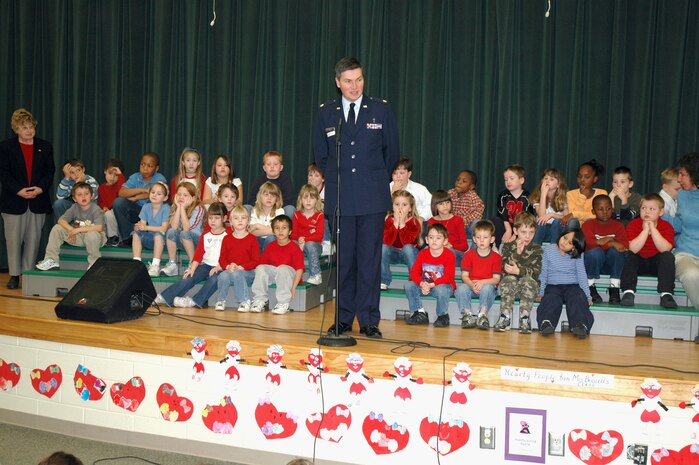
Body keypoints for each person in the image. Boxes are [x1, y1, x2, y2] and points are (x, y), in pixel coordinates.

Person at [313, 56, 400, 339]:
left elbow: (392, 153)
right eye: (348, 81)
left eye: (359, 79)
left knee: (369, 261)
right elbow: (320, 155)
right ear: (338, 83)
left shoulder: (380, 110)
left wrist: (373, 182)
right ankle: (343, 318)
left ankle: (369, 320)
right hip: (340, 199)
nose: (355, 86)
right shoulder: (327, 113)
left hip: (372, 199)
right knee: (345, 261)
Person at [0, 108, 55, 289]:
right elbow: (4, 173)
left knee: (33, 241)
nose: (29, 130)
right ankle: (15, 275)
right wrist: (18, 190)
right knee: (13, 240)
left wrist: (40, 188)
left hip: (37, 201)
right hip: (13, 201)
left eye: (31, 127)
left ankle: (28, 274)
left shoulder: (45, 146)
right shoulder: (6, 147)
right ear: (16, 129)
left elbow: (50, 171)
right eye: (24, 127)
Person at [154, 202, 227, 308]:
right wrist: (192, 268)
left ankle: (194, 301)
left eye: (217, 218)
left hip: (221, 267)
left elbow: (230, 255)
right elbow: (199, 253)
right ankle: (164, 297)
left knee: (214, 279)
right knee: (189, 276)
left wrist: (218, 267)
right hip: (205, 265)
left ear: (224, 218)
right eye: (210, 218)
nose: (213, 221)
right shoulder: (206, 234)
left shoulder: (228, 235)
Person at [620, 193, 677, 308]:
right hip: (638, 263)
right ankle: (628, 292)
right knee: (629, 255)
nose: (647, 212)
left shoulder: (667, 226)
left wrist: (653, 229)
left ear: (661, 212)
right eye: (643, 208)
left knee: (668, 256)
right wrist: (645, 230)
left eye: (652, 209)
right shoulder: (633, 225)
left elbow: (665, 249)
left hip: (656, 264)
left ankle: (666, 294)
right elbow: (633, 249)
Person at [537, 225, 594, 339]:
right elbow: (543, 273)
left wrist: (588, 296)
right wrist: (540, 292)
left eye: (570, 243)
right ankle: (546, 323)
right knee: (551, 299)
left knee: (577, 298)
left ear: (574, 248)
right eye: (565, 237)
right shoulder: (548, 250)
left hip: (572, 286)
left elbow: (581, 274)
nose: (564, 242)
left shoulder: (577, 255)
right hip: (553, 286)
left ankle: (580, 325)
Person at [36, 182, 106, 271]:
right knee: (57, 228)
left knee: (92, 235)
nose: (83, 197)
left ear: (91, 196)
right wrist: (71, 229)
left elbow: (99, 227)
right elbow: (61, 220)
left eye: (86, 194)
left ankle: (94, 263)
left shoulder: (96, 209)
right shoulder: (74, 207)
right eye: (79, 195)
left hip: (96, 238)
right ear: (74, 198)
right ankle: (52, 259)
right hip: (80, 237)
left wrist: (77, 230)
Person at [496, 212, 542, 333]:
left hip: (528, 287)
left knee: (528, 280)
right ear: (515, 231)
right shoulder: (507, 246)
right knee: (509, 279)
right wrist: (517, 252)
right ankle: (505, 315)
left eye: (531, 232)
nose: (527, 236)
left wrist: (519, 271)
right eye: (523, 232)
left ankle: (525, 317)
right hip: (510, 286)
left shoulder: (537, 249)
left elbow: (536, 271)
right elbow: (506, 267)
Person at [249, 215, 305, 315]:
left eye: (284, 228)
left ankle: (283, 303)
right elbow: (262, 266)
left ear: (290, 231)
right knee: (260, 268)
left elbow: (300, 269)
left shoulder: (294, 247)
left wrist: (292, 289)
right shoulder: (270, 246)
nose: (280, 231)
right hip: (276, 274)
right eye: (277, 228)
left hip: (290, 276)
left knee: (282, 268)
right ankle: (260, 300)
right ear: (273, 231)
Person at [404, 223, 456, 327]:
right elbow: (414, 273)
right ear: (427, 240)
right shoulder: (423, 253)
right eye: (431, 237)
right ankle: (420, 312)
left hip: (444, 286)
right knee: (409, 285)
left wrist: (431, 284)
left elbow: (449, 277)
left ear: (445, 241)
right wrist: (422, 283)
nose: (434, 240)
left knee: (441, 289)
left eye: (438, 238)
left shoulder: (449, 255)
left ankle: (443, 316)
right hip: (426, 285)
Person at [112, 152, 167, 247]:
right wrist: (143, 190)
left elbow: (156, 194)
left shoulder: (160, 178)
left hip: (150, 212)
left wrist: (136, 197)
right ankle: (127, 238)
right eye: (142, 164)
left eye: (149, 166)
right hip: (136, 209)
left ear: (156, 168)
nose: (145, 168)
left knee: (153, 201)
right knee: (118, 202)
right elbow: (122, 192)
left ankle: (148, 237)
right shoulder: (135, 177)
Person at [455, 220, 502, 330]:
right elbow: (464, 276)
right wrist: (472, 284)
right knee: (461, 288)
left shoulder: (496, 257)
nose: (481, 240)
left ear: (492, 239)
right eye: (479, 237)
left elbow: (496, 279)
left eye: (485, 237)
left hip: (488, 287)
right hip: (472, 286)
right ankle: (467, 315)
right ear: (474, 239)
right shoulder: (468, 256)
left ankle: (482, 315)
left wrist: (482, 282)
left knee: (487, 288)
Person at [581, 194, 628, 304]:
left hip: (612, 265)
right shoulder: (587, 225)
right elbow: (590, 244)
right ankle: (590, 286)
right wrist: (611, 241)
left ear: (612, 209)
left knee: (616, 252)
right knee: (595, 252)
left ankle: (614, 286)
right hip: (593, 264)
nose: (605, 212)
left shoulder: (618, 226)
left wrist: (605, 243)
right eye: (600, 209)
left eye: (608, 209)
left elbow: (623, 246)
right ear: (593, 211)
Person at [667, 152, 699, 311]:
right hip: (685, 254)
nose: (679, 179)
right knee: (692, 275)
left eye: (683, 175)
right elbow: (679, 224)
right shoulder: (683, 196)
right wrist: (657, 216)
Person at [214, 205, 260, 311]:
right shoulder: (226, 238)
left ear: (248, 221)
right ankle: (221, 300)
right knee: (223, 276)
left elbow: (256, 261)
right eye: (236, 218)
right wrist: (228, 266)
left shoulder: (252, 239)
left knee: (237, 273)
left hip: (248, 271)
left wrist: (242, 267)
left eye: (243, 218)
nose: (240, 221)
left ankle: (244, 300)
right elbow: (222, 259)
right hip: (232, 270)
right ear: (231, 222)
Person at [380, 190, 422, 290]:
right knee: (383, 247)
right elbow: (387, 241)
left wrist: (402, 224)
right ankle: (384, 280)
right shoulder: (388, 221)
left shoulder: (414, 222)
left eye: (404, 205)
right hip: (393, 254)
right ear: (392, 206)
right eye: (397, 204)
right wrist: (395, 224)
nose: (400, 208)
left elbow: (407, 242)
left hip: (409, 255)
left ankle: (414, 280)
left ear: (410, 208)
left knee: (407, 247)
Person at [162, 182, 205, 276]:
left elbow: (187, 228)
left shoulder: (198, 209)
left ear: (193, 198)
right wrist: (179, 208)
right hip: (183, 241)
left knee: (184, 233)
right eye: (179, 194)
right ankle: (172, 264)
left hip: (197, 242)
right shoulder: (174, 207)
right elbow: (173, 227)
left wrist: (183, 208)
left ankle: (193, 263)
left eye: (185, 195)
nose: (181, 197)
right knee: (170, 231)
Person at [131, 182, 171, 277]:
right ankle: (136, 263)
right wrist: (139, 226)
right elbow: (143, 225)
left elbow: (164, 228)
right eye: (153, 192)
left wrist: (146, 227)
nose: (154, 195)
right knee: (136, 233)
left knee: (158, 235)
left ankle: (155, 265)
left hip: (164, 241)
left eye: (159, 194)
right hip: (150, 239)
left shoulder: (166, 208)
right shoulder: (146, 207)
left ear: (165, 198)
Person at [491, 164, 534, 247]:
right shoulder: (503, 195)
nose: (508, 182)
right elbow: (502, 214)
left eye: (511, 178)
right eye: (506, 179)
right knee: (495, 220)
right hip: (506, 225)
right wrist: (508, 230)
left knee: (527, 225)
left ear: (521, 180)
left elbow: (527, 218)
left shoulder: (528, 197)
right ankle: (496, 248)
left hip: (520, 227)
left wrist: (515, 234)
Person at [291, 184, 325, 285]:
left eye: (312, 197)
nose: (308, 201)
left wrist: (305, 239)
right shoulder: (297, 215)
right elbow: (293, 234)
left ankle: (316, 274)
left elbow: (319, 235)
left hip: (314, 246)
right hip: (299, 243)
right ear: (301, 200)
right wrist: (299, 239)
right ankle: (289, 273)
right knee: (288, 243)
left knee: (310, 244)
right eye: (305, 197)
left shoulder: (320, 216)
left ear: (317, 200)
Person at [246, 150, 295, 217]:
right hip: (261, 210)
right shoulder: (259, 180)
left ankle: (284, 227)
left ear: (281, 167)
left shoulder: (286, 180)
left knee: (290, 209)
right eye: (268, 164)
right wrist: (263, 206)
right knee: (246, 208)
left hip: (278, 210)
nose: (272, 167)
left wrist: (273, 207)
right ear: (264, 168)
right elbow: (252, 199)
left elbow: (288, 200)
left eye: (275, 164)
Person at [562, 159, 607, 226]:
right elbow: (573, 219)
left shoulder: (602, 193)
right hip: (576, 230)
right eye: (579, 176)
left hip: (595, 229)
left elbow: (599, 215)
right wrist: (582, 197)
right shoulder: (570, 194)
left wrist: (575, 214)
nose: (582, 180)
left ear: (595, 179)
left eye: (587, 177)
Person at [529, 168, 568, 245]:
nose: (547, 181)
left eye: (551, 179)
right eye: (545, 178)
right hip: (543, 231)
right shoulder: (537, 197)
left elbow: (567, 217)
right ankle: (535, 250)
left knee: (556, 222)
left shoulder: (563, 198)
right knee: (541, 223)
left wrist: (552, 215)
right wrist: (543, 194)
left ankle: (553, 249)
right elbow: (541, 216)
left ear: (558, 184)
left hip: (558, 231)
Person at [428, 189, 467, 264]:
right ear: (435, 206)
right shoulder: (431, 221)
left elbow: (464, 246)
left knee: (447, 251)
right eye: (441, 204)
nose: (445, 206)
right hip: (438, 252)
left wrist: (451, 245)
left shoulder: (457, 220)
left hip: (455, 253)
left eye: (447, 202)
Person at [389, 156, 432, 221]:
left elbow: (431, 205)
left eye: (401, 173)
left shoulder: (419, 188)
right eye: (395, 173)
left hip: (415, 223)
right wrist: (392, 193)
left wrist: (421, 218)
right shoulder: (386, 188)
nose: (398, 176)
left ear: (409, 174)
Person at [448, 169, 484, 239]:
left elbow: (477, 214)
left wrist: (460, 222)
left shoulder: (473, 198)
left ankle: (474, 248)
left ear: (471, 186)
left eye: (464, 181)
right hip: (451, 228)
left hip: (466, 229)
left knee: (477, 223)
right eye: (458, 180)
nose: (459, 182)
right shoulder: (450, 193)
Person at [249, 181, 285, 251]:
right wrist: (270, 230)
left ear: (276, 199)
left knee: (271, 238)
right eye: (266, 194)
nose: (269, 198)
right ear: (260, 197)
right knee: (251, 239)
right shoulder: (255, 210)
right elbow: (251, 232)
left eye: (273, 196)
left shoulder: (279, 211)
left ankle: (265, 259)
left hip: (272, 241)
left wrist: (257, 226)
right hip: (258, 240)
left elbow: (278, 231)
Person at [99, 158, 126, 246]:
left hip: (117, 214)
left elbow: (122, 192)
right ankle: (104, 238)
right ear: (105, 172)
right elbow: (101, 201)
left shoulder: (120, 186)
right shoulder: (102, 188)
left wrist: (120, 175)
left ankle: (113, 239)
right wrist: (103, 207)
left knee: (109, 215)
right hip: (107, 213)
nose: (112, 177)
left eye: (116, 175)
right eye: (110, 173)